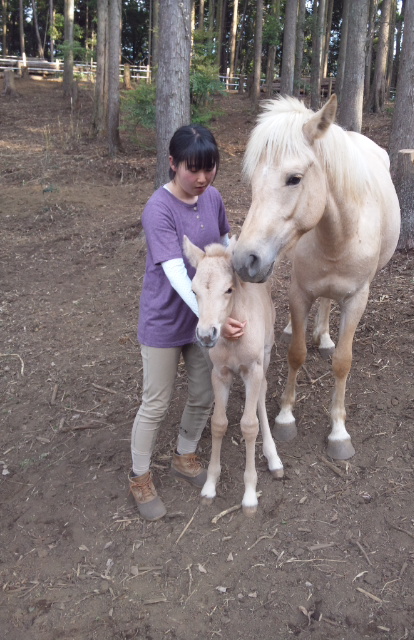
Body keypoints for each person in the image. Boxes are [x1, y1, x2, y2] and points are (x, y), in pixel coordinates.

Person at [129, 124, 245, 521]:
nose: (201, 178)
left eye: (209, 168)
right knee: (156, 402)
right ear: (173, 163)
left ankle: (185, 453)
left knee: (202, 392)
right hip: (166, 320)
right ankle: (140, 476)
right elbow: (179, 274)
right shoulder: (158, 209)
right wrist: (210, 318)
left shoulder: (212, 197)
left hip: (206, 321)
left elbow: (228, 245)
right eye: (192, 169)